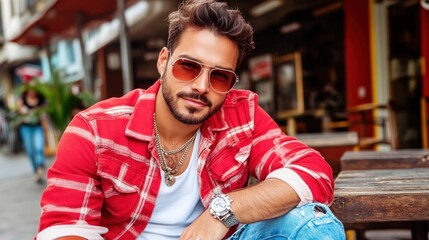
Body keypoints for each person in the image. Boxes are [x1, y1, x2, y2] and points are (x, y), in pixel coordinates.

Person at [37, 0, 345, 239]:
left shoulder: (243, 117)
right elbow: (63, 228)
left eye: (220, 76)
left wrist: (222, 213)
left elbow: (314, 173)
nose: (200, 86)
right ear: (163, 61)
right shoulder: (94, 130)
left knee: (310, 223)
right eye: (188, 67)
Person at [17, 88, 47, 184]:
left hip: (37, 127)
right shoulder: (22, 99)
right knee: (30, 150)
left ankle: (40, 169)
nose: (32, 91)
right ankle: (36, 170)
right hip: (26, 128)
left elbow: (45, 113)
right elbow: (18, 112)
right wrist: (20, 107)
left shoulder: (41, 100)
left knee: (38, 147)